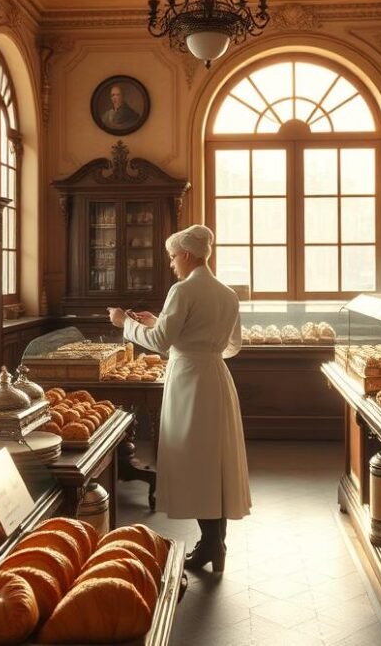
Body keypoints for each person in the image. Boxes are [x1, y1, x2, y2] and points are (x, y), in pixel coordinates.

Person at [108, 225, 251, 572]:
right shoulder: (227, 294)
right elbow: (233, 345)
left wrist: (123, 323)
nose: (172, 264)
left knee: (195, 460)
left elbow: (158, 341)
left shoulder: (182, 290)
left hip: (189, 381)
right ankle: (215, 545)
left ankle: (211, 545)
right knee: (216, 460)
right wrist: (191, 340)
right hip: (216, 377)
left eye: (173, 256)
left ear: (187, 254)